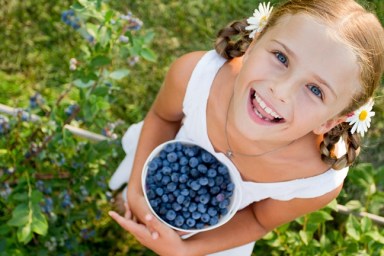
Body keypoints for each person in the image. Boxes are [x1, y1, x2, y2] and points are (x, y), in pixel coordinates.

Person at [108, 0, 384, 255]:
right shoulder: (195, 77)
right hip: (159, 168)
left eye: (315, 89)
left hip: (216, 234)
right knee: (132, 201)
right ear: (253, 43)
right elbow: (162, 118)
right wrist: (135, 190)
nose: (281, 91)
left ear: (331, 121)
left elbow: (257, 219)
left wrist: (184, 250)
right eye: (281, 58)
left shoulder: (316, 179)